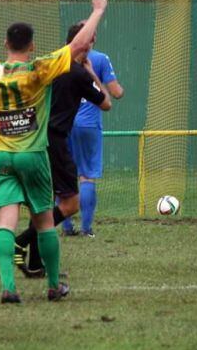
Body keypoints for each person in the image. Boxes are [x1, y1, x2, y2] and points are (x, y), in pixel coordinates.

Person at [0, 0, 108, 303]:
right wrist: (97, 11)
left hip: (0, 157)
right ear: (31, 46)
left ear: (6, 43)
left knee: (6, 222)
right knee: (44, 220)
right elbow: (79, 46)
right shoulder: (39, 69)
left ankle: (8, 287)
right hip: (34, 156)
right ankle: (54, 286)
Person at [13, 23, 111, 278]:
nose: (92, 45)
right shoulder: (78, 73)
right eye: (90, 40)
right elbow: (107, 103)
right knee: (69, 205)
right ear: (83, 43)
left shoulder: (48, 65)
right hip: (56, 141)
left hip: (33, 137)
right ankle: (21, 241)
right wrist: (92, 74)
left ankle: (35, 263)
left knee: (44, 204)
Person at [62, 24, 125, 237]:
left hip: (62, 123)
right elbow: (116, 93)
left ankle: (66, 227)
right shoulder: (98, 59)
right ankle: (86, 229)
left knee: (63, 176)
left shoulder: (57, 58)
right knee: (86, 176)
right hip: (88, 124)